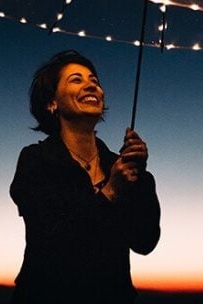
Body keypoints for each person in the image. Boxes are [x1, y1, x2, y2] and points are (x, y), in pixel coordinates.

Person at [10, 50, 161, 303]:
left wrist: (141, 178)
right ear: (52, 103)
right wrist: (111, 192)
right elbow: (53, 241)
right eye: (76, 80)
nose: (91, 84)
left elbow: (144, 242)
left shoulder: (119, 166)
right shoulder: (36, 161)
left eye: (94, 80)